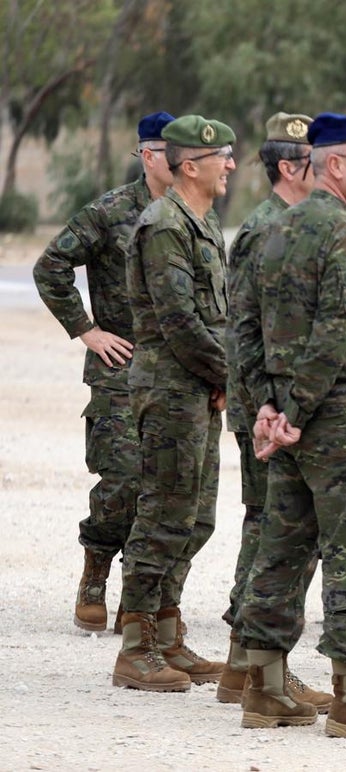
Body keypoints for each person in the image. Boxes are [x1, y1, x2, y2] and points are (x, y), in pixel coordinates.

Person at [235, 113, 346, 739]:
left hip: (293, 416)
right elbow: (339, 324)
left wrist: (269, 405)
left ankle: (262, 688)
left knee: (282, 549)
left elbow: (247, 326)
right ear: (334, 166)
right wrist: (296, 410)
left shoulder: (275, 227)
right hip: (338, 415)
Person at [34, 111, 175, 634]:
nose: (180, 160)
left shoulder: (194, 213)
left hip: (177, 368)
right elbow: (51, 266)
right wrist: (86, 329)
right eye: (168, 150)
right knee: (124, 476)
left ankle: (145, 600)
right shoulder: (112, 210)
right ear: (147, 155)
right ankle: (96, 567)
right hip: (121, 365)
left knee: (170, 484)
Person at [114, 114, 236, 692]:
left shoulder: (201, 222)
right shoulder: (165, 224)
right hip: (170, 387)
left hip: (198, 386)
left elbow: (215, 315)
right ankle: (135, 648)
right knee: (163, 514)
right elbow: (179, 321)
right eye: (223, 157)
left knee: (196, 516)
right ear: (191, 165)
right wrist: (229, 372)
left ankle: (167, 633)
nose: (232, 165)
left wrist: (219, 375)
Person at [217, 111, 330, 712]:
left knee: (273, 528)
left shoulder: (293, 222)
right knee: (271, 530)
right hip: (267, 405)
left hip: (276, 401)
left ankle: (246, 664)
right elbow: (247, 326)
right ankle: (249, 663)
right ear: (291, 168)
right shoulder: (268, 229)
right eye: (317, 160)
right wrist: (265, 402)